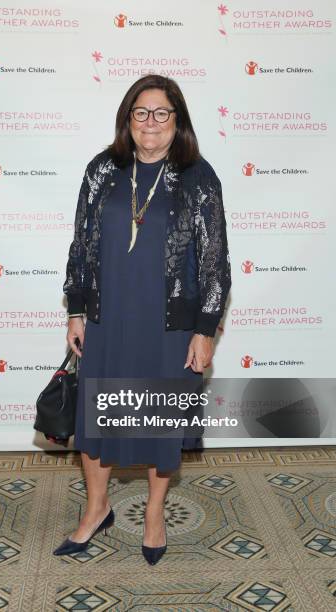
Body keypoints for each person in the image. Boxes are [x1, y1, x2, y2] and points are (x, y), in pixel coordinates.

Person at [53, 75, 231, 564]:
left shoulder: (198, 177)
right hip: (107, 318)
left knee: (158, 419)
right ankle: (96, 509)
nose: (151, 122)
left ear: (178, 121)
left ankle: (154, 513)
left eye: (162, 113)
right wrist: (75, 308)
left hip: (169, 325)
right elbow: (80, 245)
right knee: (95, 417)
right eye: (141, 112)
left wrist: (206, 328)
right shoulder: (102, 170)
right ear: (127, 120)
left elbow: (215, 260)